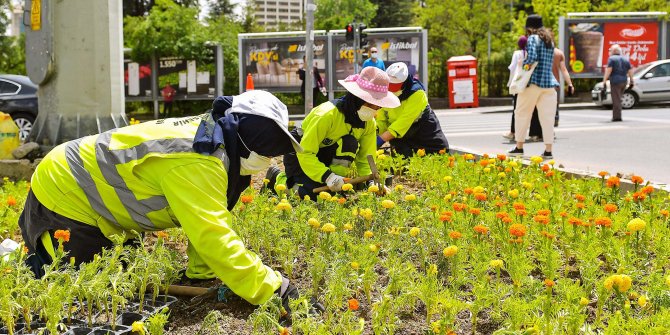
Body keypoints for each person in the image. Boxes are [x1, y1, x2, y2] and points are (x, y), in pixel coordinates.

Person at [18, 90, 318, 315]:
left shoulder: (216, 137)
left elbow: (210, 216)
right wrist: (275, 288)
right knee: (85, 285)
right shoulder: (199, 160)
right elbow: (214, 236)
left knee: (125, 271)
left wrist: (199, 276)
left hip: (88, 186)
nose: (268, 161)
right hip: (65, 188)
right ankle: (21, 263)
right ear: (254, 138)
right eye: (268, 151)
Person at [268, 66, 399, 200]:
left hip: (325, 153)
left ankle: (335, 184)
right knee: (310, 196)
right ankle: (278, 179)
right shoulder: (326, 115)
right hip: (300, 153)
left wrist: (371, 182)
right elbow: (305, 152)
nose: (374, 110)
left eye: (378, 106)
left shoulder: (368, 123)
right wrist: (328, 177)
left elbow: (367, 158)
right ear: (357, 98)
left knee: (349, 144)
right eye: (370, 104)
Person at [508, 14, 558, 159]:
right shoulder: (550, 41)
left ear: (530, 27)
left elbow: (532, 59)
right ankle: (548, 150)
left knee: (522, 114)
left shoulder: (532, 39)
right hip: (549, 84)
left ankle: (519, 147)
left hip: (533, 83)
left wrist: (522, 66)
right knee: (547, 118)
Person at [376, 62, 449, 156]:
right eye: (388, 84)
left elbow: (403, 122)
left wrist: (381, 139)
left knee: (435, 164)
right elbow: (382, 119)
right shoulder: (385, 93)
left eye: (394, 85)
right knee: (400, 165)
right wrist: (375, 132)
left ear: (403, 82)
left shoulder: (416, 93)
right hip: (401, 140)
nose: (390, 88)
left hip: (425, 137)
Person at [602, 44, 633, 122]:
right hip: (624, 81)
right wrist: (632, 80)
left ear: (614, 51)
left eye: (610, 50)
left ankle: (617, 117)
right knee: (618, 98)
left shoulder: (611, 59)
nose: (609, 52)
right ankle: (617, 115)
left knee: (616, 99)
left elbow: (609, 70)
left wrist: (604, 81)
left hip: (615, 81)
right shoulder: (625, 59)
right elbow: (630, 70)